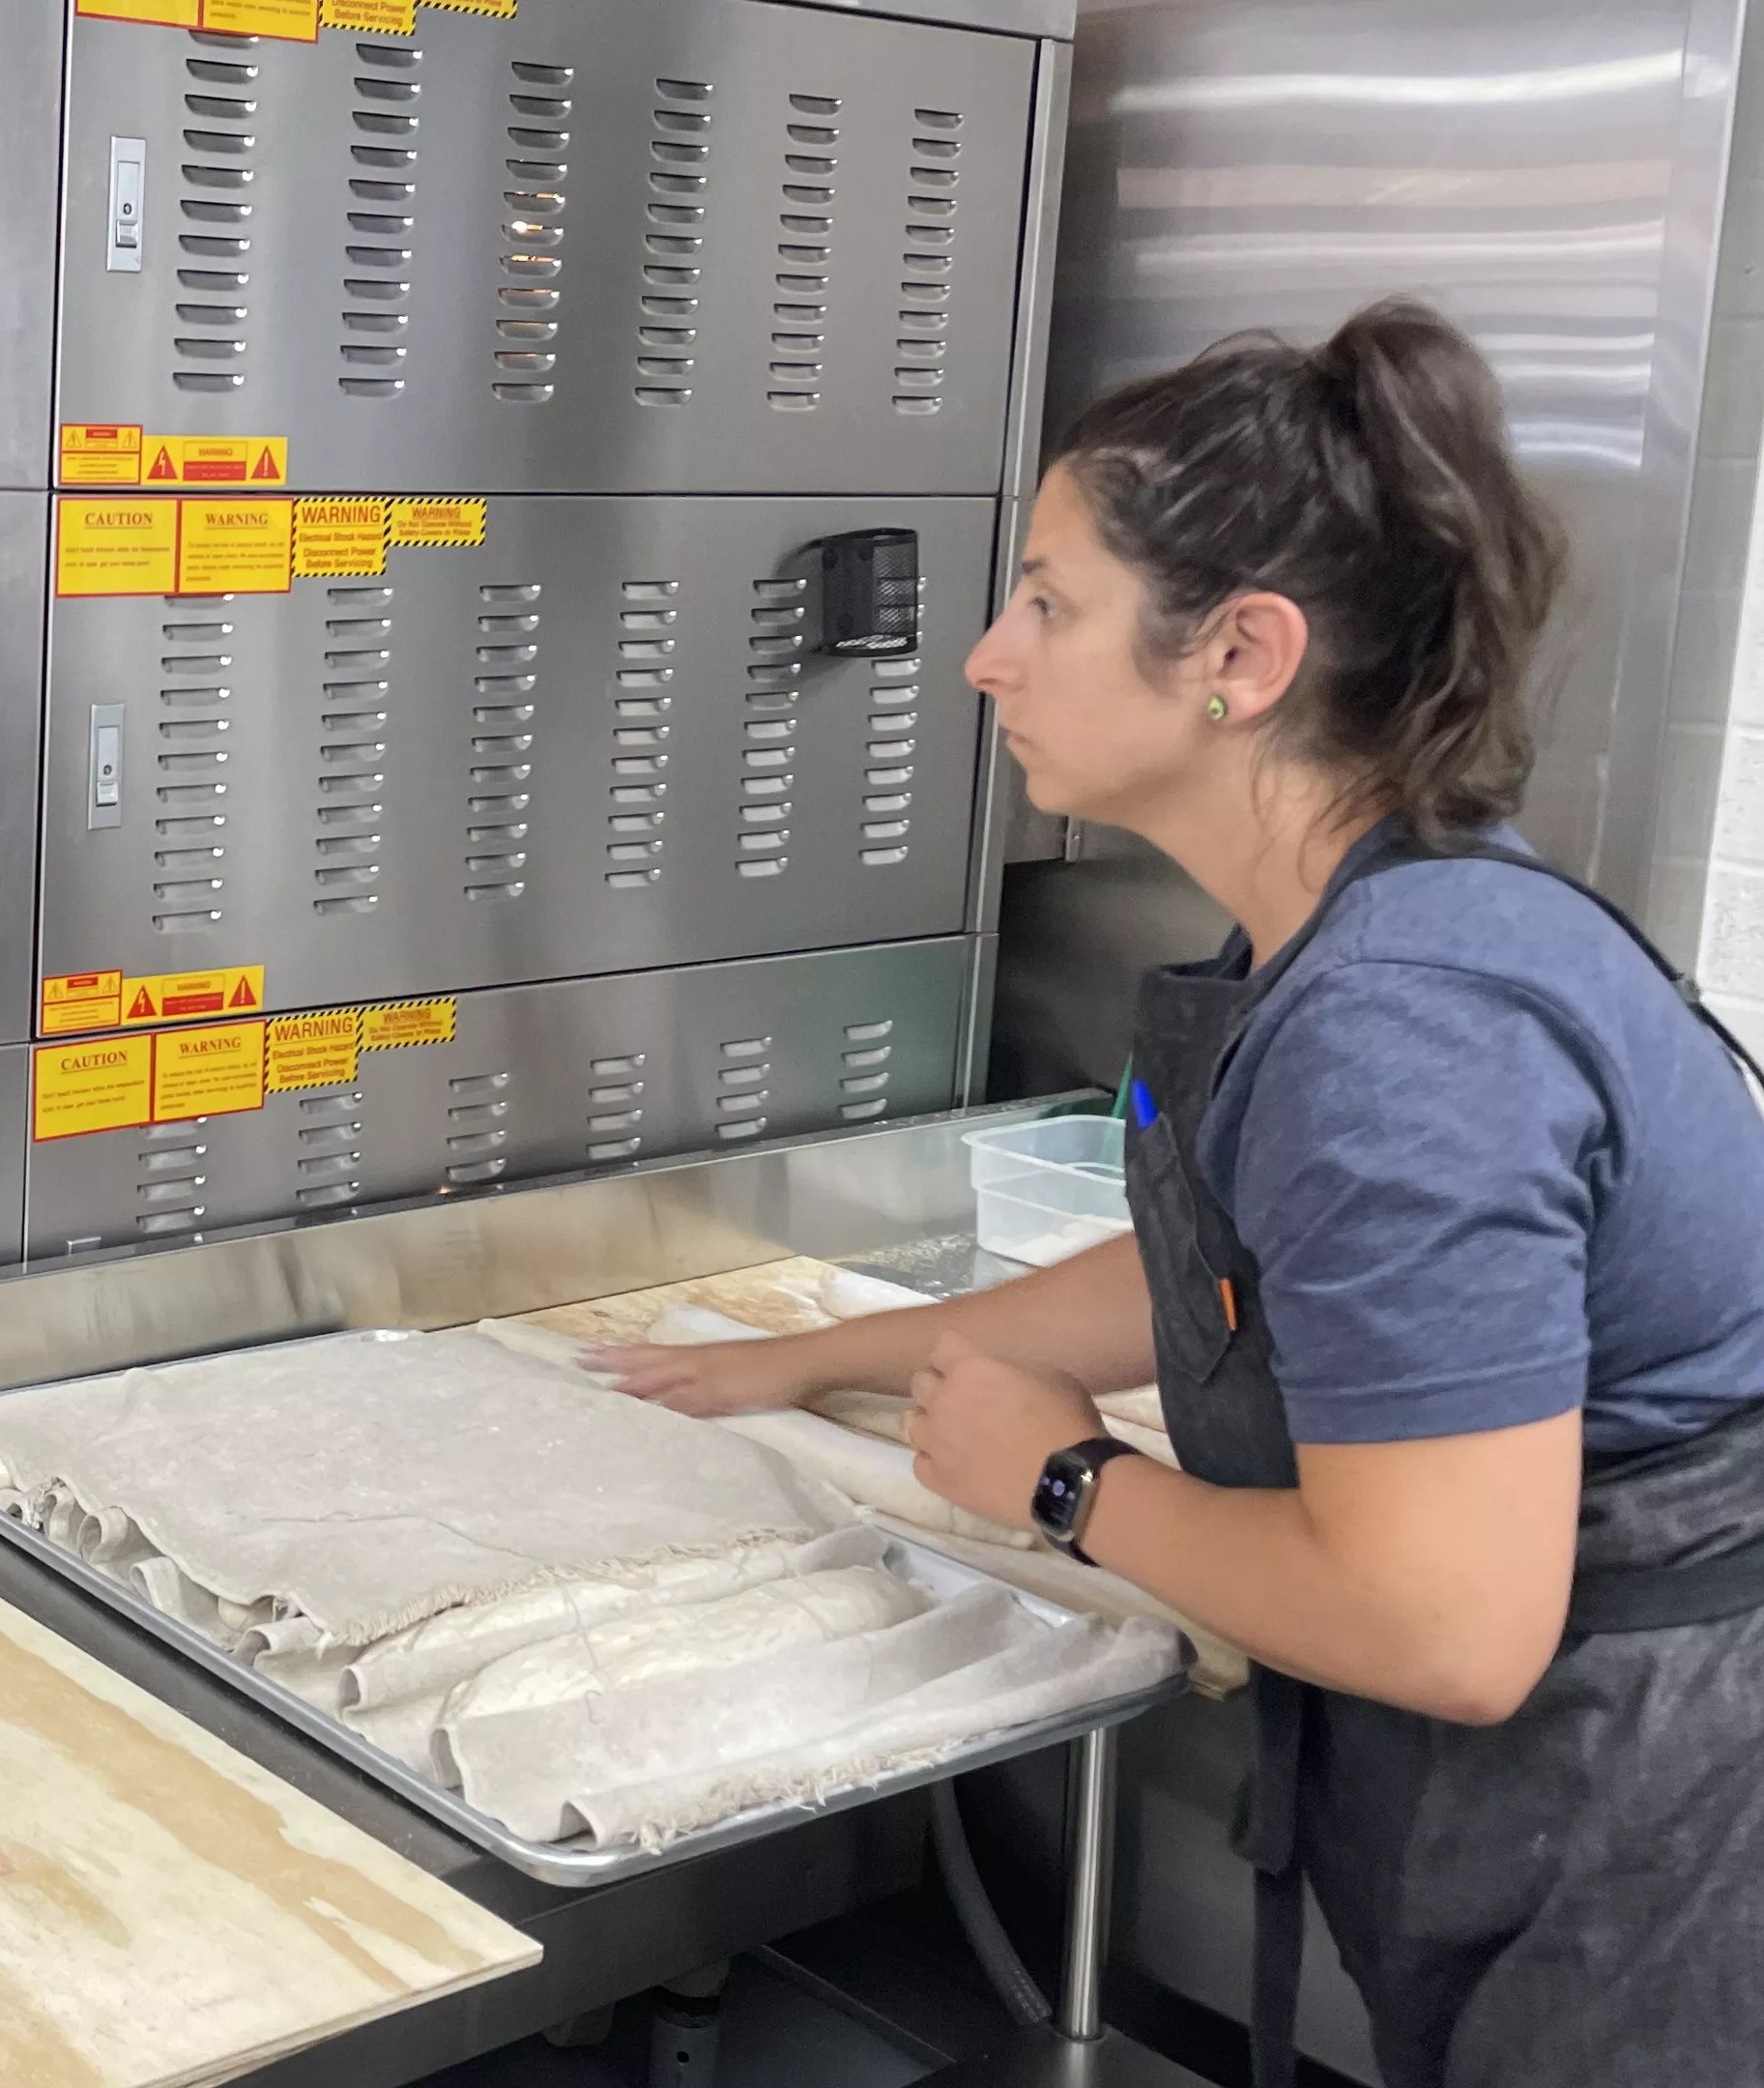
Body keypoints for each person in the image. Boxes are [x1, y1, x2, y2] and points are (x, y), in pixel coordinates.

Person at [596, 299, 1764, 2087]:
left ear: (1238, 653)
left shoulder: (1403, 1029)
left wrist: (1067, 1482)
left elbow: (1446, 1627)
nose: (985, 658)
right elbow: (1219, 1276)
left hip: (1665, 1839)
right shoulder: (1355, 919)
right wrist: (829, 1354)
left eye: (1047, 603)